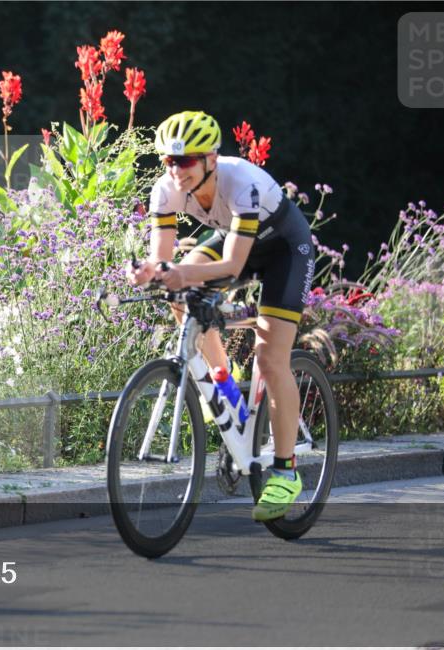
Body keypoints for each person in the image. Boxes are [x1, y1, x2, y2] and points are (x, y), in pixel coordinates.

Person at [127, 110, 316, 521]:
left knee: (270, 358)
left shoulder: (240, 181)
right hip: (235, 237)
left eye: (186, 160)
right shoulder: (166, 190)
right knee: (177, 289)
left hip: (283, 248)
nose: (177, 171)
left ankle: (285, 472)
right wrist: (150, 273)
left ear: (210, 159)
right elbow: (163, 264)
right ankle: (224, 383)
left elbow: (232, 267)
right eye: (169, 161)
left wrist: (176, 272)